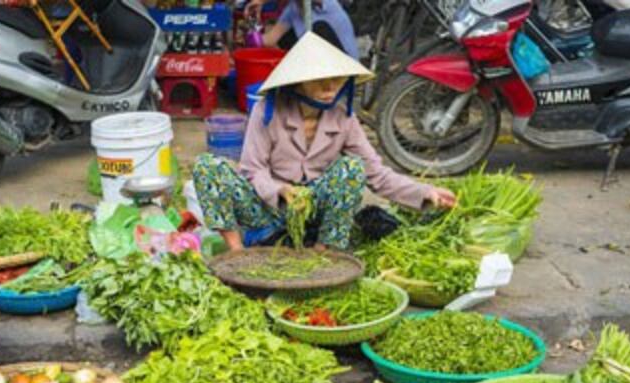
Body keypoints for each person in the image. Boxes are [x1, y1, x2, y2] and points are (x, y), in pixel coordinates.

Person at [192, 32, 456, 252]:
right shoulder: (268, 110)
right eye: (320, 81)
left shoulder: (343, 119)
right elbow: (253, 170)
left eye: (337, 79)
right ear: (299, 83)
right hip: (269, 210)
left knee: (351, 168)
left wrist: (424, 192)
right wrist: (280, 190)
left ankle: (323, 252)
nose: (331, 87)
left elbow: (377, 175)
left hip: (314, 214)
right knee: (207, 165)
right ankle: (237, 252)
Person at [244, 0, 360, 59]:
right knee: (285, 37)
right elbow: (270, 40)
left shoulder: (326, 2)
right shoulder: (292, 9)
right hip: (319, 66)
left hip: (345, 65)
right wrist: (252, 34)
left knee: (317, 29)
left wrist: (262, 1)